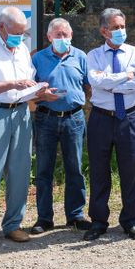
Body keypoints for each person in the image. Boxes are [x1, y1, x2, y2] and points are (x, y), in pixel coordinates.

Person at [0, 7, 52, 250]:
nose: (19, 37)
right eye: (15, 32)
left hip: (22, 112)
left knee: (20, 171)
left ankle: (13, 224)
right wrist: (12, 84)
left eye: (22, 33)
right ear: (1, 27)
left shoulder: (22, 48)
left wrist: (40, 92)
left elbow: (28, 79)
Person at [83, 8, 135, 241]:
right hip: (101, 117)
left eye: (122, 26)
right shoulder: (93, 56)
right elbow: (95, 80)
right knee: (99, 170)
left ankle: (131, 221)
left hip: (129, 117)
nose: (121, 31)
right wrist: (126, 77)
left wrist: (111, 83)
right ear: (104, 31)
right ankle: (98, 221)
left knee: (130, 170)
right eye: (115, 27)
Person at [29, 18, 92, 234]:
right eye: (58, 35)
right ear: (49, 37)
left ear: (71, 36)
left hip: (73, 118)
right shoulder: (38, 59)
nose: (62, 38)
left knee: (74, 168)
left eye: (65, 34)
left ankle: (75, 216)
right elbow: (30, 90)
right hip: (45, 118)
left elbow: (88, 87)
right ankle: (44, 218)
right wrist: (41, 95)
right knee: (43, 169)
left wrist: (77, 103)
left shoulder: (81, 57)